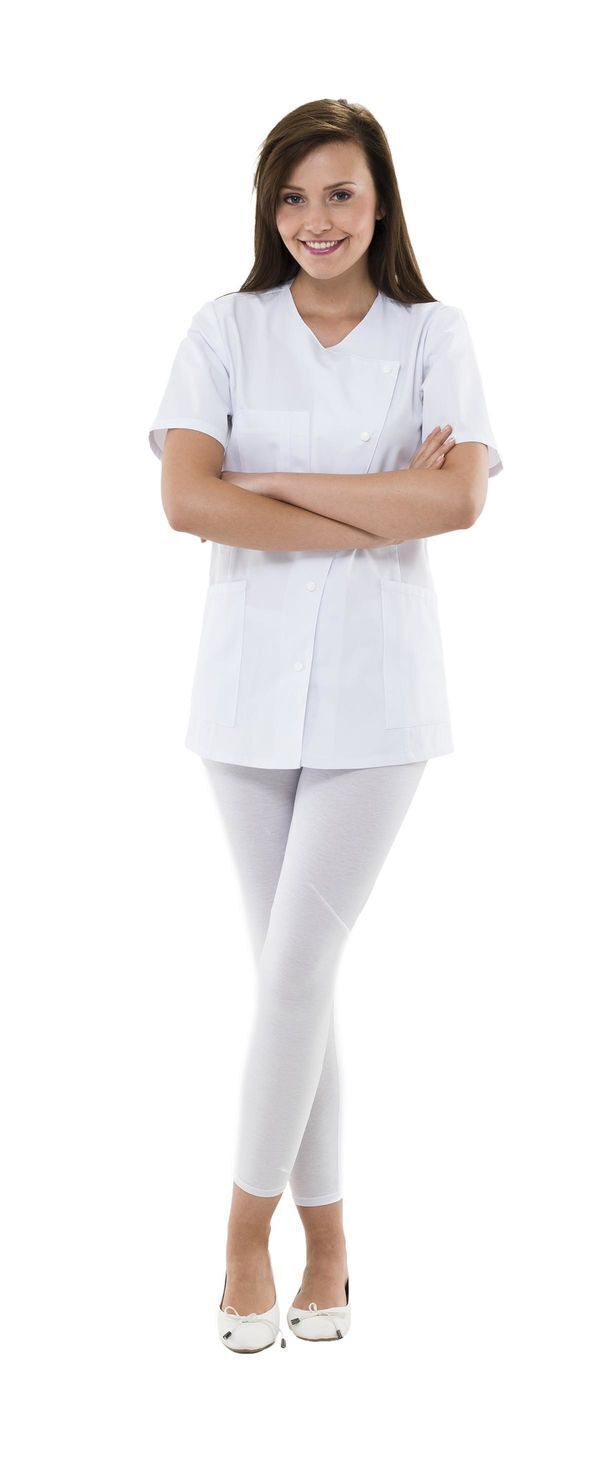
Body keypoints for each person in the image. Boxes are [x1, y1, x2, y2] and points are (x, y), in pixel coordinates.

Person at [148, 97, 503, 1353]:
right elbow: (186, 499)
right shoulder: (224, 328)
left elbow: (458, 502)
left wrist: (265, 482)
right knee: (296, 979)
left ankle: (244, 1238)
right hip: (242, 696)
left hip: (377, 697)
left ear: (381, 200)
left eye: (341, 193)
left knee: (296, 971)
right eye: (294, 197)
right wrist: (374, 497)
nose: (317, 219)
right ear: (270, 209)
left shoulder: (433, 336)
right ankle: (335, 1247)